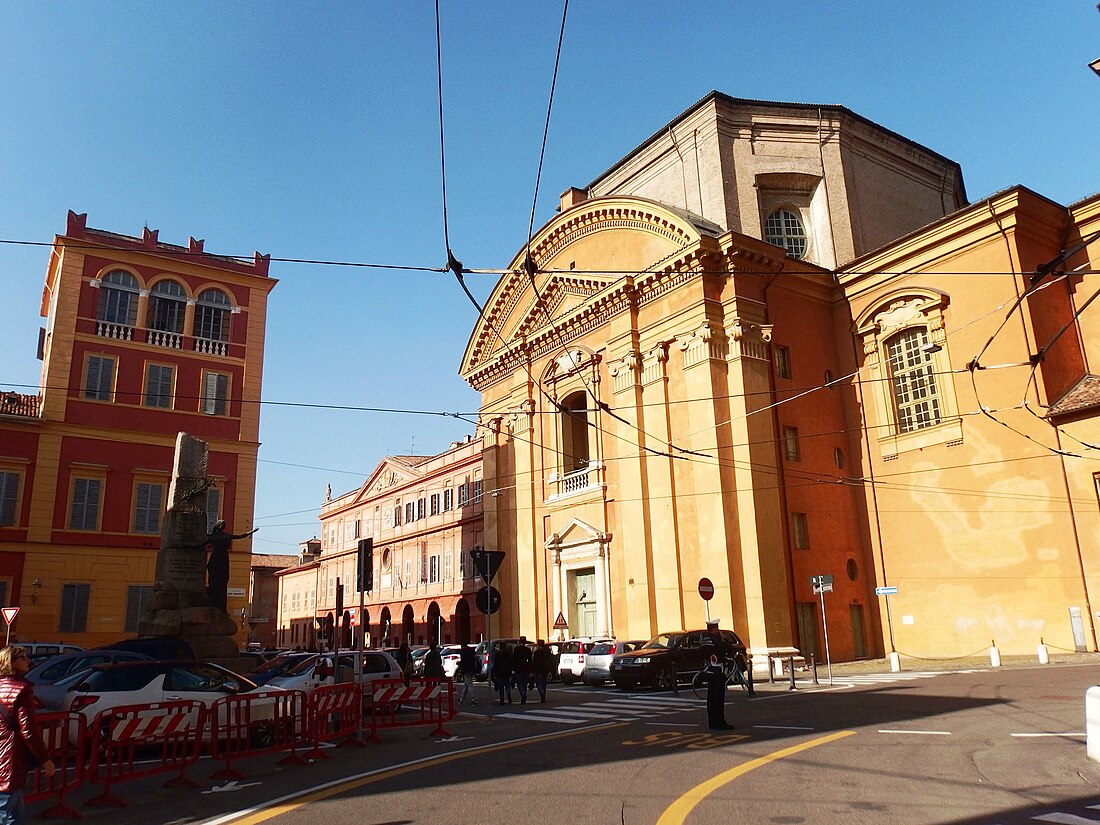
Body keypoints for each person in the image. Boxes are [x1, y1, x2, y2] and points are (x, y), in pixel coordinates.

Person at [0, 646, 54, 824]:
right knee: (7, 813)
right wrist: (45, 759)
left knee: (14, 813)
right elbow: (29, 731)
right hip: (9, 760)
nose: (29, 661)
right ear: (11, 662)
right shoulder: (22, 690)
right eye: (23, 657)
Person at [205, 520, 258, 612]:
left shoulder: (214, 536)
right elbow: (239, 536)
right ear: (220, 526)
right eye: (223, 525)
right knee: (221, 581)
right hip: (223, 558)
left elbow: (239, 536)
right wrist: (251, 532)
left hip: (215, 558)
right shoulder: (225, 536)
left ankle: (214, 602)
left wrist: (251, 532)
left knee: (215, 581)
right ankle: (219, 604)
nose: (223, 526)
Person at [701, 628, 734, 731]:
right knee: (718, 698)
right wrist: (724, 639)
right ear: (714, 629)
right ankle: (720, 722)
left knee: (710, 698)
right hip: (718, 671)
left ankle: (712, 722)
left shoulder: (704, 640)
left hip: (709, 670)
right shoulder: (716, 640)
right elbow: (728, 649)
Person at [511, 637, 532, 704]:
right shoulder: (528, 650)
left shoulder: (516, 649)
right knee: (525, 683)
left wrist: (513, 668)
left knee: (519, 683)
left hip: (518, 668)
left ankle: (523, 694)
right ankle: (524, 694)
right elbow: (530, 660)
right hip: (526, 668)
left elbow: (514, 660)